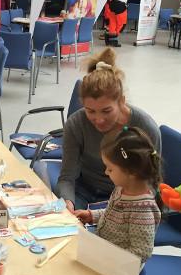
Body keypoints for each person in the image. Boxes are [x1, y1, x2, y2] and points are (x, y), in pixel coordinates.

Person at [56, 48, 161, 212]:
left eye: (106, 111)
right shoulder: (76, 123)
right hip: (82, 191)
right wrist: (68, 203)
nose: (99, 119)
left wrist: (115, 209)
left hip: (125, 200)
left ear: (121, 101)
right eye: (90, 111)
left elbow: (152, 184)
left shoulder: (145, 127)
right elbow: (67, 177)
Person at [74, 126, 162, 275]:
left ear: (132, 172)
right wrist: (92, 216)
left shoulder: (142, 211)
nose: (106, 172)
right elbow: (112, 213)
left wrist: (110, 261)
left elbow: (141, 252)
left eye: (110, 169)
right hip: (106, 256)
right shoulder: (122, 188)